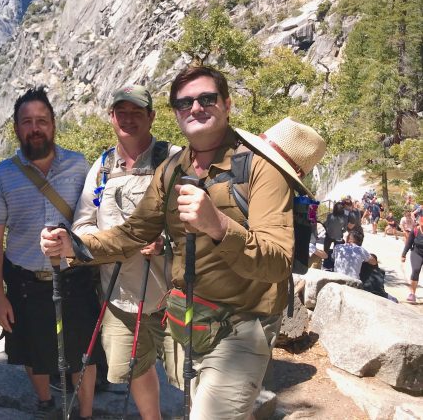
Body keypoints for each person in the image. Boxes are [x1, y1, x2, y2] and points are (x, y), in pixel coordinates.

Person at [41, 65, 326, 419]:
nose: (196, 108)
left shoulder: (260, 169)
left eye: (207, 98)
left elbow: (277, 263)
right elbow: (133, 232)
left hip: (243, 325)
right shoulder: (174, 167)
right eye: (185, 102)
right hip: (191, 320)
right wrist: (75, 247)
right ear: (175, 112)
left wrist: (219, 225)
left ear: (227, 104)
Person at [0, 87, 98, 420]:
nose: (35, 128)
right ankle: (45, 403)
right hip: (24, 280)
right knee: (33, 351)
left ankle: (85, 414)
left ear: (53, 125)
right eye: (27, 122)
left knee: (83, 354)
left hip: (74, 278)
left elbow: (92, 221)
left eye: (41, 121)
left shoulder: (79, 166)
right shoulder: (2, 174)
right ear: (17, 128)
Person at [72, 85, 180, 419]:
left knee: (191, 371)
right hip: (119, 298)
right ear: (111, 117)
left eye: (136, 112)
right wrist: (113, 242)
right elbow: (81, 224)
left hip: (173, 295)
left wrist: (165, 243)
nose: (128, 119)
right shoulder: (103, 166)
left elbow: (197, 225)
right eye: (122, 112)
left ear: (151, 116)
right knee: (133, 367)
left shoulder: (174, 159)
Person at [401, 214, 423, 304]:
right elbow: (408, 244)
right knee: (416, 270)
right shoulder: (415, 231)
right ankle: (412, 294)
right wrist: (403, 255)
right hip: (416, 253)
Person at [322, 202, 347, 271]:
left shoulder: (330, 215)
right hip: (338, 236)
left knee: (326, 250)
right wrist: (340, 231)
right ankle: (335, 265)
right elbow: (345, 229)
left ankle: (325, 264)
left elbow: (326, 224)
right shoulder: (345, 217)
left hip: (329, 235)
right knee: (337, 252)